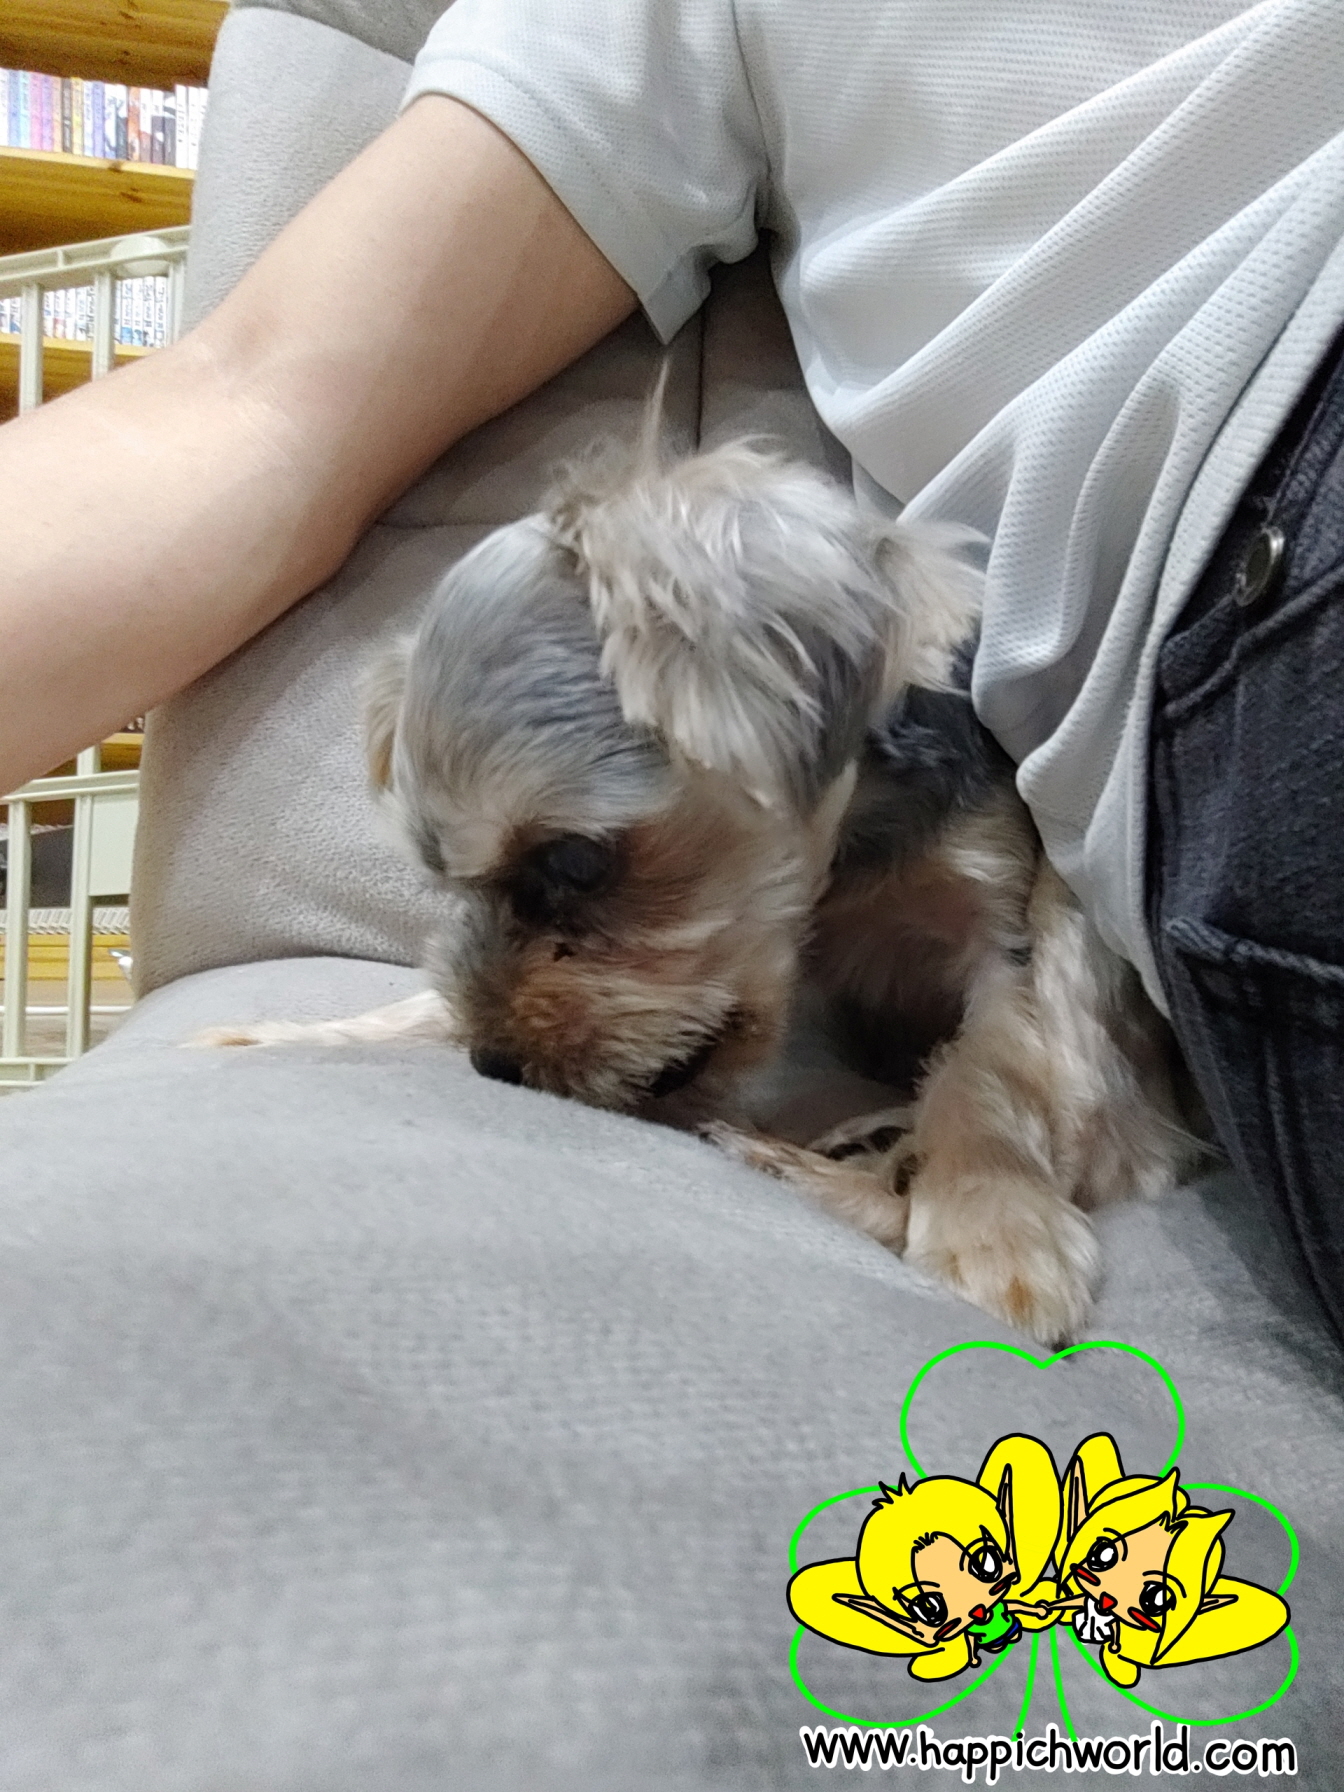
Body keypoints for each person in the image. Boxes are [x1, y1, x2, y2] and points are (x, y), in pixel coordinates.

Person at [2, 0, 1342, 1333]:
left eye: (578, 871)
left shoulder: (898, 780)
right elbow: (255, 396)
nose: (510, 1011)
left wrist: (984, 1137)